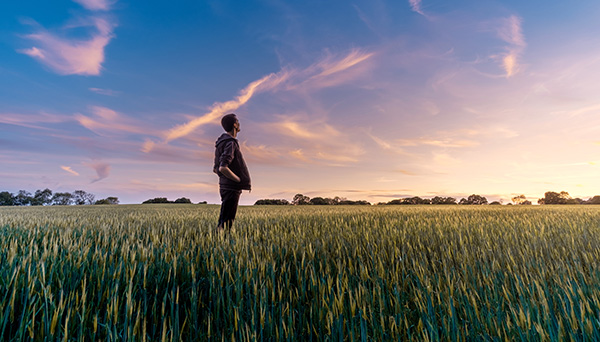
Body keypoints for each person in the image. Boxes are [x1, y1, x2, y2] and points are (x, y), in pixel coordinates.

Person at [213, 113, 251, 231]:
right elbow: (222, 167)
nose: (239, 124)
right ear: (235, 124)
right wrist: (238, 180)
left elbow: (215, 168)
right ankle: (220, 245)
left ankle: (217, 243)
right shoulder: (231, 143)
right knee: (227, 222)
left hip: (224, 186)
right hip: (231, 187)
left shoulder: (221, 143)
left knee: (224, 219)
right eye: (238, 121)